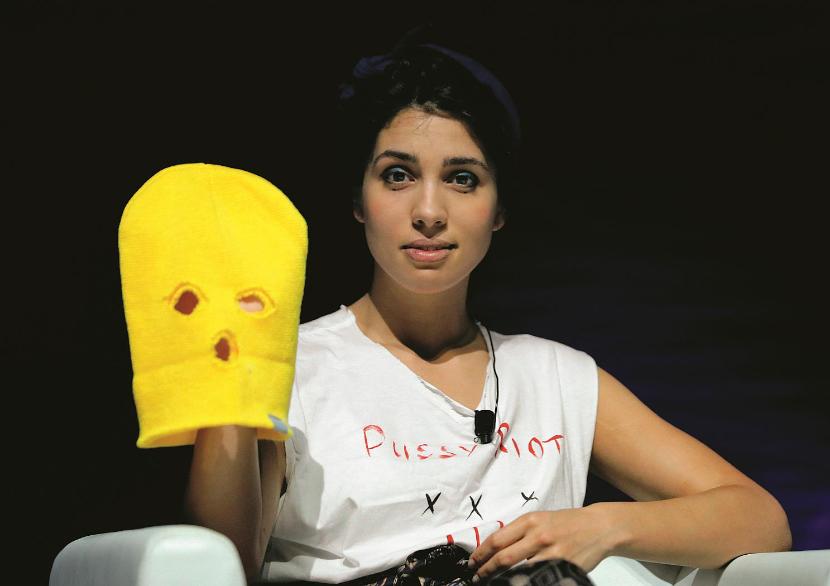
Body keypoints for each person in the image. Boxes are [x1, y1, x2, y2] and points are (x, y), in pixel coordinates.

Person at [183, 38, 792, 585]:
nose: (429, 211)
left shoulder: (554, 377)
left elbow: (759, 518)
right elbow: (220, 565)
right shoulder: (290, 366)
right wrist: (230, 377)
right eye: (397, 175)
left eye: (462, 179)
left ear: (499, 210)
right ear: (358, 201)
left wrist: (602, 526)